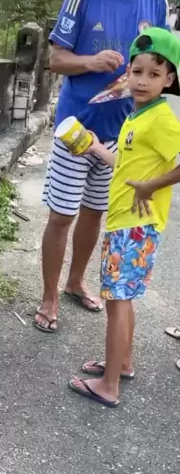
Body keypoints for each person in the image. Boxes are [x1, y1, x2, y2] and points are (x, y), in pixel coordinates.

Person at [35, 0, 170, 334]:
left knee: (95, 213)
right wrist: (91, 62)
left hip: (122, 133)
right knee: (62, 215)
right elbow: (55, 58)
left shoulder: (157, 3)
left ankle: (75, 282)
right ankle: (48, 296)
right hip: (76, 127)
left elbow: (160, 67)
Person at [69, 27, 180, 407]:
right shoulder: (137, 116)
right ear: (127, 74)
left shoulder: (161, 119)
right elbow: (125, 165)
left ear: (169, 80)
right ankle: (123, 363)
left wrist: (151, 186)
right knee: (122, 300)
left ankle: (109, 385)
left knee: (117, 303)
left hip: (136, 225)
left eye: (154, 74)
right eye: (137, 71)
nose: (143, 80)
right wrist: (94, 147)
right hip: (123, 222)